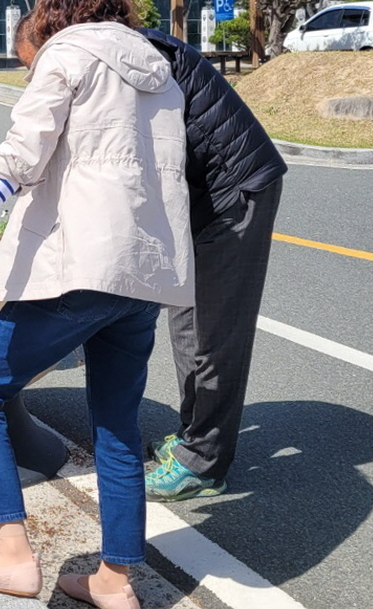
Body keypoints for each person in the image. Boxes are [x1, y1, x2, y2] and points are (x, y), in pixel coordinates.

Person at [0, 0, 194, 609]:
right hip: (144, 270)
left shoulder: (66, 55)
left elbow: (18, 159)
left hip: (83, 264)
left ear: (54, 5)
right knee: (116, 423)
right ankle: (115, 581)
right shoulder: (158, 69)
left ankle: (9, 552)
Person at [138, 28, 286, 502]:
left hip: (236, 192)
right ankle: (193, 436)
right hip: (196, 198)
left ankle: (205, 463)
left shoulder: (141, 60)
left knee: (217, 331)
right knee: (183, 320)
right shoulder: (118, 54)